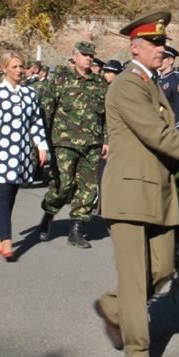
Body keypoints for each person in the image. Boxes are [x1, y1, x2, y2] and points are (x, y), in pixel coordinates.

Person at [93, 11, 179, 357]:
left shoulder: (153, 84)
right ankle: (137, 352)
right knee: (134, 277)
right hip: (128, 191)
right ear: (135, 47)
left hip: (157, 191)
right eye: (155, 43)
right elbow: (158, 135)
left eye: (163, 42)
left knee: (161, 269)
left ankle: (112, 307)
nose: (162, 48)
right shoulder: (127, 85)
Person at [0, 52, 49, 260]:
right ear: (4, 69)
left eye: (21, 66)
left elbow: (36, 122)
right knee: (3, 193)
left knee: (12, 193)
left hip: (22, 152)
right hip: (0, 151)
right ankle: (6, 238)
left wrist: (41, 146)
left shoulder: (29, 94)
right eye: (14, 67)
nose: (19, 70)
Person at [37, 41, 107, 247]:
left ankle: (76, 229)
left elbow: (107, 116)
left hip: (92, 144)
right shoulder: (60, 79)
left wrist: (107, 140)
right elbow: (47, 110)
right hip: (64, 142)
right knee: (63, 185)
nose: (89, 58)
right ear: (74, 56)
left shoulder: (100, 83)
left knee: (88, 188)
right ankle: (49, 213)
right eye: (85, 55)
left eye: (91, 56)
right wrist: (43, 141)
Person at [157, 45, 179, 133]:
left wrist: (178, 131)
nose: (159, 61)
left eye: (163, 58)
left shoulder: (178, 82)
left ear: (171, 61)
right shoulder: (157, 80)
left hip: (170, 129)